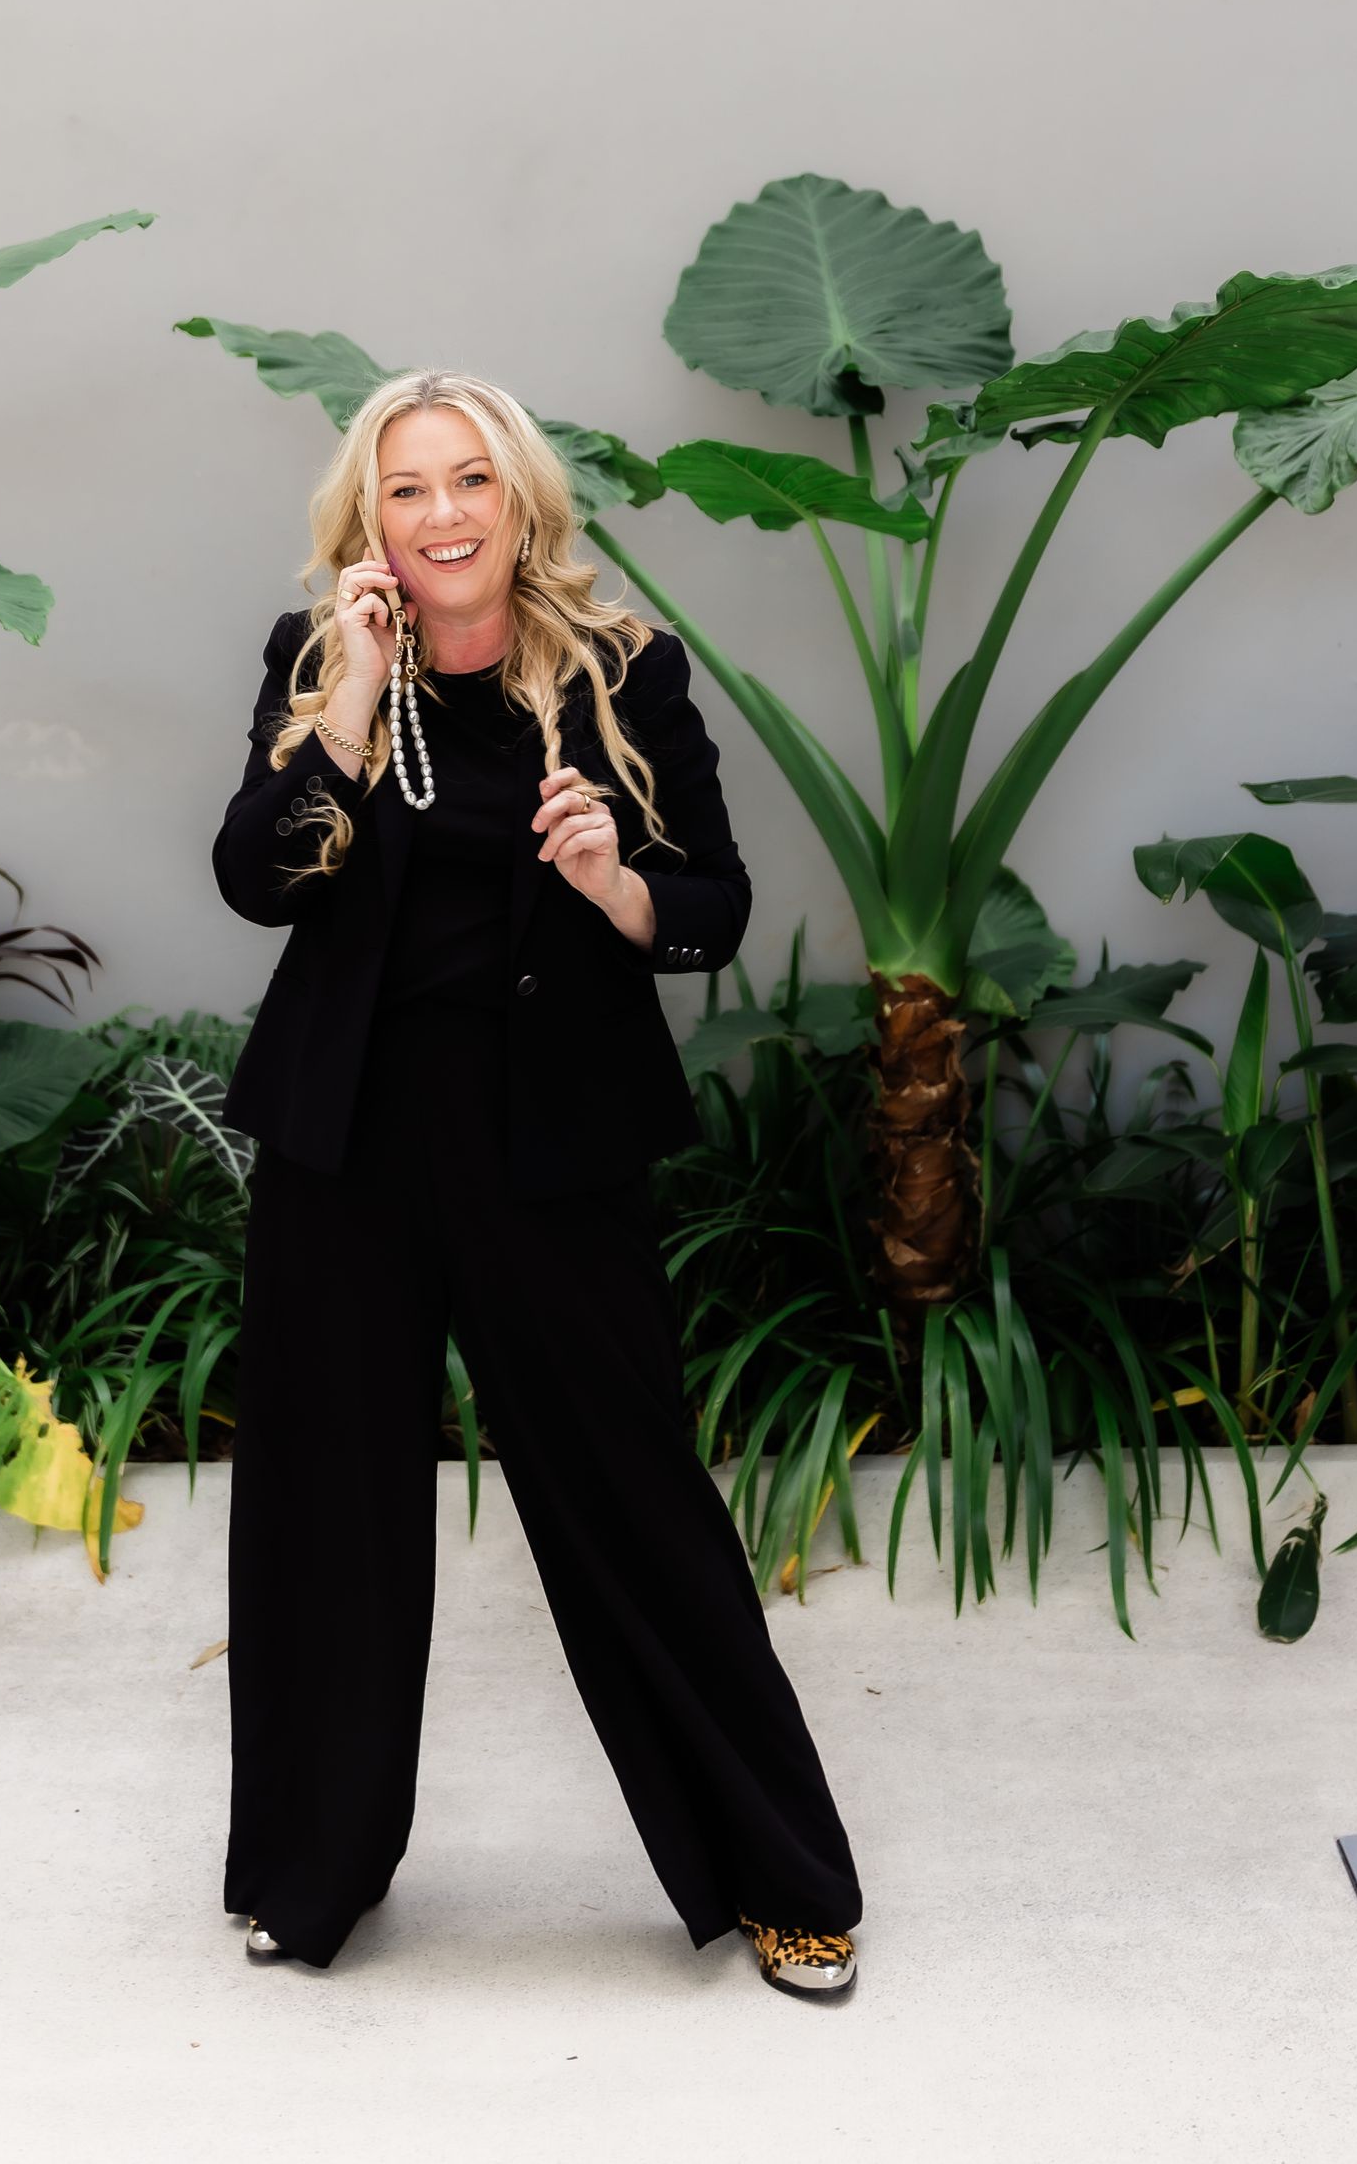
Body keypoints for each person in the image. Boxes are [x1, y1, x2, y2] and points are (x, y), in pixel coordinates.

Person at [209, 366, 863, 2001]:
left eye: (470, 484)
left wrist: (613, 882)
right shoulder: (321, 664)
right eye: (408, 489)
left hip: (548, 1149)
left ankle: (783, 1874)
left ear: (521, 503)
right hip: (344, 1149)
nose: (442, 516)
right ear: (370, 519)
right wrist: (351, 698)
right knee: (328, 1515)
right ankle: (311, 1868)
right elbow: (254, 881)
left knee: (633, 1505)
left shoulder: (624, 671)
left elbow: (712, 900)